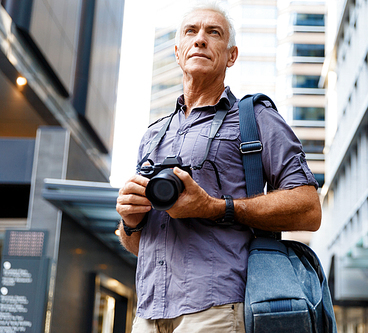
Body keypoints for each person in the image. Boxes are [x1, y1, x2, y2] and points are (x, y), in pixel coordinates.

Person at [116, 2, 321, 332]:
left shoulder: (255, 118)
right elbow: (138, 245)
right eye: (190, 32)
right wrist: (129, 222)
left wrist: (215, 207)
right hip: (148, 313)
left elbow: (309, 210)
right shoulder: (153, 136)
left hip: (216, 309)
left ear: (231, 55)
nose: (200, 39)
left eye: (214, 33)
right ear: (178, 51)